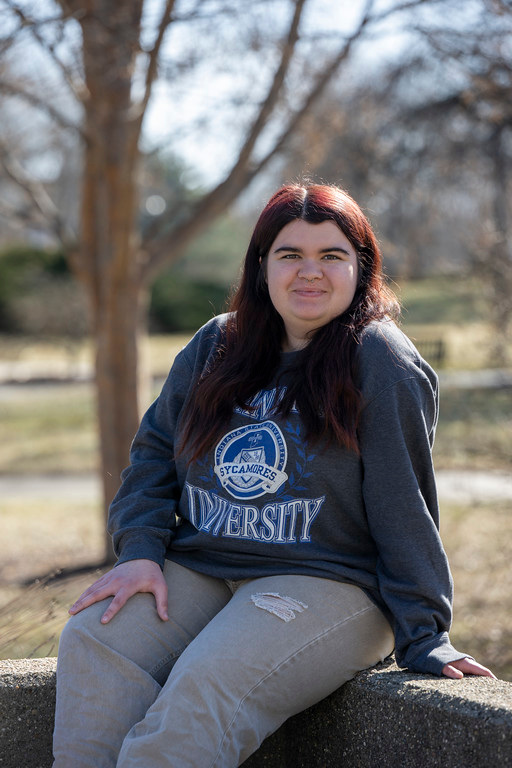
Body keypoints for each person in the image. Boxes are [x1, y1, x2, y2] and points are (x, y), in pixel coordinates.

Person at [53, 183, 495, 768]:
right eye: (290, 255)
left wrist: (426, 633)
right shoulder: (218, 342)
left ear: (361, 269)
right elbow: (155, 450)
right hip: (204, 566)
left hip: (330, 581)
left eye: (331, 256)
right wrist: (139, 549)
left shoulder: (381, 359)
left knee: (204, 686)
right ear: (261, 266)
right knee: (93, 641)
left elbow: (404, 502)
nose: (309, 272)